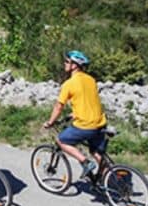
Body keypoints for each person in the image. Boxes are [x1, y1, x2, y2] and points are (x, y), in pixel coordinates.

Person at [43, 50, 108, 180]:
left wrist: (50, 122)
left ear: (74, 65)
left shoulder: (69, 84)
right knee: (95, 151)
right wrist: (74, 113)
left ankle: (85, 162)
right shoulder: (91, 80)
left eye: (67, 61)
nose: (64, 63)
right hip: (100, 123)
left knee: (61, 140)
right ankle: (105, 179)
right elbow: (88, 101)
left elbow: (58, 106)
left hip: (85, 125)